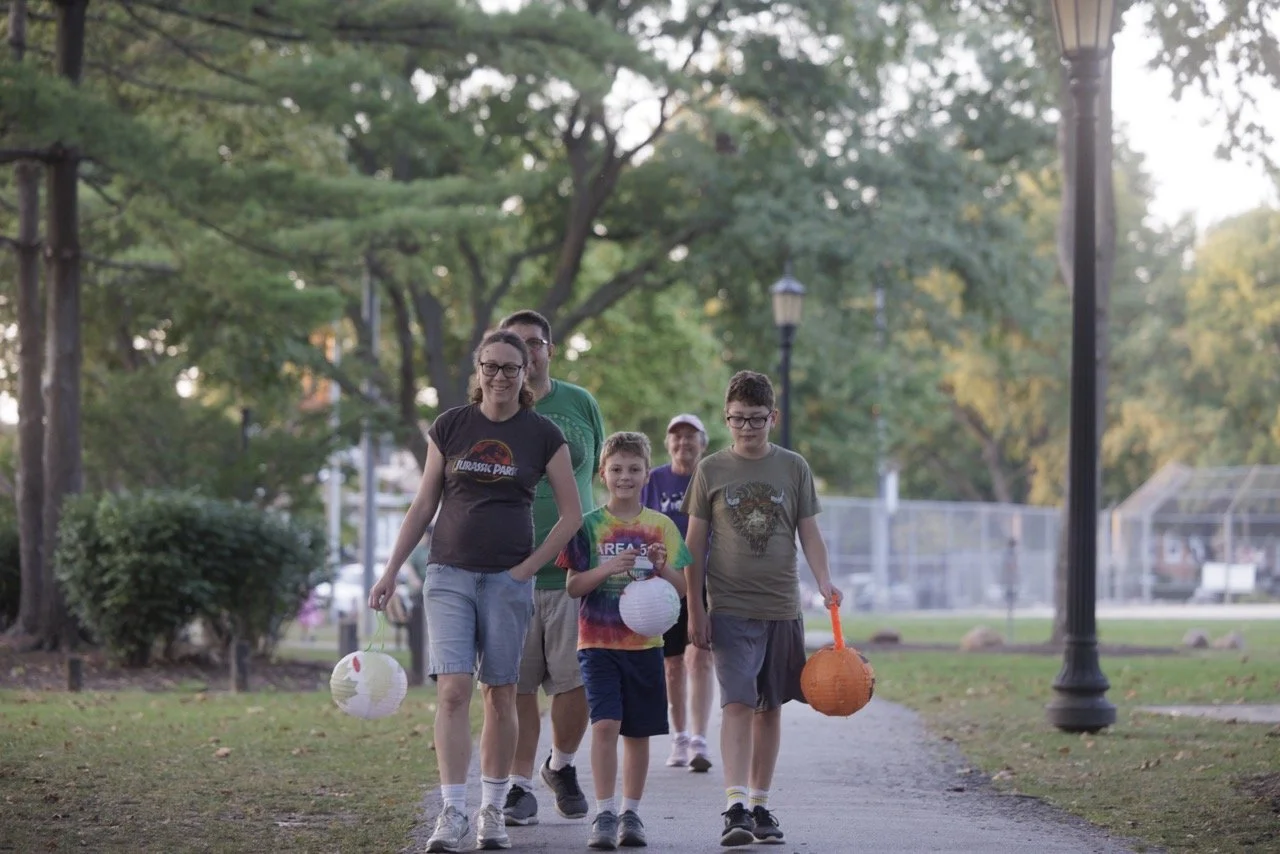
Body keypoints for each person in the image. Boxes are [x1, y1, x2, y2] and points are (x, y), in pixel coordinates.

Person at [369, 329, 583, 854]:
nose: (501, 376)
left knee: (502, 692)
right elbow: (423, 505)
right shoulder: (450, 426)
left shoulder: (543, 434)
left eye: (511, 367)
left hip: (507, 580)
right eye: (491, 366)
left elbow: (573, 514)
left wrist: (527, 570)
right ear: (478, 369)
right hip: (449, 574)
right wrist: (391, 568)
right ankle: (452, 810)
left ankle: (492, 809)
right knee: (452, 690)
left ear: (525, 372)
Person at [682, 370, 842, 848]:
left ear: (773, 417)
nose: (746, 429)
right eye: (736, 420)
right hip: (729, 605)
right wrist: (696, 608)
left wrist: (825, 581)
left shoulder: (793, 467)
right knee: (737, 702)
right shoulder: (711, 469)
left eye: (755, 419)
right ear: (726, 418)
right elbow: (692, 544)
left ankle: (761, 805)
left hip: (781, 606)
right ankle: (734, 805)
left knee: (770, 708)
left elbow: (809, 533)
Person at [498, 310, 606, 827]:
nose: (529, 351)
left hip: (575, 571)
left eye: (536, 342)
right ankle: (518, 787)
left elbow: (599, 475)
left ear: (548, 349)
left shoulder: (580, 402)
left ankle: (560, 765)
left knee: (576, 682)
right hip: (510, 570)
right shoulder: (495, 409)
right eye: (517, 343)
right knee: (516, 685)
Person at [558, 432, 691, 850]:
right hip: (597, 643)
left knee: (636, 732)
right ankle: (604, 812)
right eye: (616, 469)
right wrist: (608, 567)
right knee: (606, 724)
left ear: (646, 473)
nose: (625, 477)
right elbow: (574, 586)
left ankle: (631, 813)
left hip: (645, 645)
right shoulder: (589, 525)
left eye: (634, 469)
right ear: (603, 473)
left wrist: (661, 567)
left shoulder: (661, 526)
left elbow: (683, 589)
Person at [641, 413, 716, 772]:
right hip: (666, 582)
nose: (683, 443)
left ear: (703, 443)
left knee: (701, 656)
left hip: (708, 579)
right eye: (677, 437)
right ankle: (680, 737)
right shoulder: (653, 480)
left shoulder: (712, 478)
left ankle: (700, 739)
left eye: (691, 437)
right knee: (672, 665)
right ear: (668, 443)